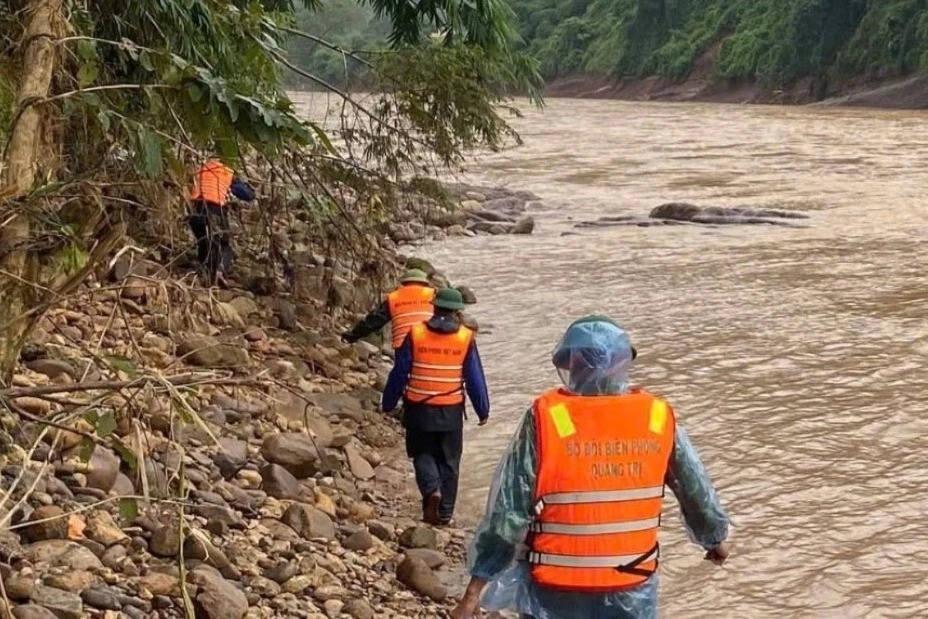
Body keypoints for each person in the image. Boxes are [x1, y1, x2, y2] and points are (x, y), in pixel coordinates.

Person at [452, 315, 730, 619]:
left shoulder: (547, 418)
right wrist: (713, 539)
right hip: (630, 588)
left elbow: (509, 510)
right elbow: (693, 489)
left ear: (572, 365)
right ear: (622, 363)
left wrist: (475, 589)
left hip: (556, 589)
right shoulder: (656, 418)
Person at [381, 288, 490, 525]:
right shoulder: (465, 338)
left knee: (422, 453)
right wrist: (483, 410)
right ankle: (444, 514)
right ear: (457, 312)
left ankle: (432, 490)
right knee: (450, 462)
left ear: (434, 306)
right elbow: (474, 378)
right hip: (450, 412)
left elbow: (400, 372)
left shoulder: (416, 333)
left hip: (419, 409)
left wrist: (388, 402)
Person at [188, 158, 255, 285]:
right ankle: (219, 272)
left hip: (195, 211)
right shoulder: (226, 171)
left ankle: (203, 272)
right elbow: (247, 195)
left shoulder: (201, 168)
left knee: (204, 242)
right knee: (224, 245)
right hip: (214, 210)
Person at [342, 269, 435, 349]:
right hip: (429, 342)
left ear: (404, 283)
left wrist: (354, 334)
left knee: (400, 370)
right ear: (425, 283)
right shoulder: (433, 295)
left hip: (403, 343)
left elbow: (375, 320)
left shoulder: (394, 297)